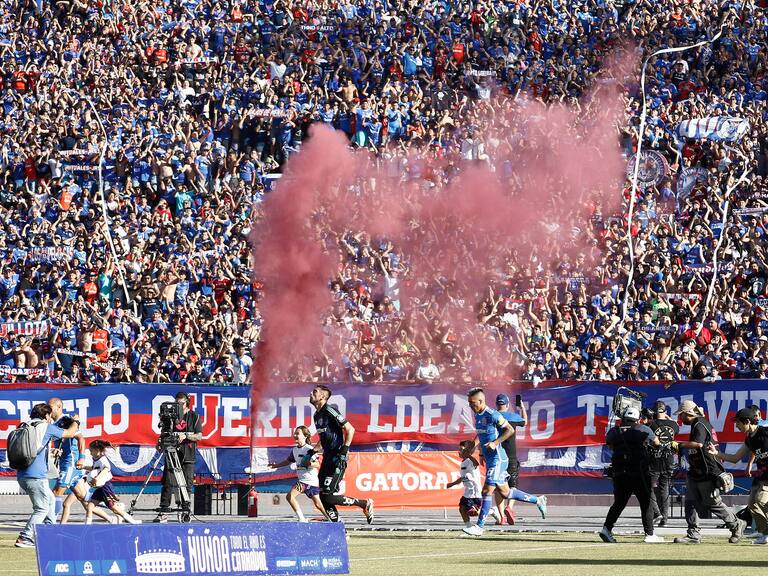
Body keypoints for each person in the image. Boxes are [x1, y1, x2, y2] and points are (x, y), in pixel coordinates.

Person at [673, 400, 745, 544]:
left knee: (712, 503)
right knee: (690, 502)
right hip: (696, 471)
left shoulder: (699, 423)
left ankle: (736, 524)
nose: (680, 418)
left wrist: (679, 444)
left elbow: (698, 444)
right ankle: (693, 534)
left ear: (688, 413)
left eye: (681, 415)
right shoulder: (697, 423)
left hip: (708, 471)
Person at [15, 403, 79, 547]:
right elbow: (70, 433)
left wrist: (50, 452)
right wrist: (76, 422)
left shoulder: (24, 426)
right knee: (42, 508)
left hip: (22, 474)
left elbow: (33, 448)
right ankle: (25, 537)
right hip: (36, 475)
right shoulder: (45, 427)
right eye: (49, 415)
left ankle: (50, 532)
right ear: (46, 415)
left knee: (50, 500)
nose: (50, 418)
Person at [309, 385, 374, 524]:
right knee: (322, 495)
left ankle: (364, 503)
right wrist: (314, 450)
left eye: (315, 392)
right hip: (327, 458)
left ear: (322, 397)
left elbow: (350, 429)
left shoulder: (330, 410)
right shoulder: (316, 415)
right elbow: (324, 438)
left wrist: (344, 451)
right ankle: (336, 525)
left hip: (337, 457)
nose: (311, 393)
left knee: (328, 496)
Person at [599, 406, 664, 544]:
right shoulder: (643, 428)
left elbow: (610, 446)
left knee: (619, 503)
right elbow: (657, 443)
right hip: (639, 472)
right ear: (638, 418)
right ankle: (650, 534)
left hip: (619, 472)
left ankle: (606, 528)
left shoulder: (614, 431)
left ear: (623, 418)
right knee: (646, 503)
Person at [462, 387, 517, 536]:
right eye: (469, 403)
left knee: (486, 491)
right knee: (505, 492)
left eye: (472, 403)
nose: (470, 406)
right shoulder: (478, 415)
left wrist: (495, 443)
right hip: (490, 458)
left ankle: (479, 527)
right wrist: (471, 448)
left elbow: (510, 430)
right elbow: (480, 435)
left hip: (498, 458)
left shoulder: (493, 414)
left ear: (481, 401)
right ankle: (538, 500)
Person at [709, 407, 768, 545]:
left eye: (738, 423)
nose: (736, 426)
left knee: (761, 499)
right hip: (762, 476)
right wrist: (716, 453)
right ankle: (765, 534)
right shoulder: (749, 439)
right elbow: (735, 458)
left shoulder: (765, 432)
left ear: (747, 421)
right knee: (752, 504)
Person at [494, 393, 547, 524]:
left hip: (496, 456)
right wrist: (522, 407)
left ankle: (501, 517)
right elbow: (525, 422)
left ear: (496, 404)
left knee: (498, 487)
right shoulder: (512, 416)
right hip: (510, 456)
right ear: (507, 405)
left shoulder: (492, 416)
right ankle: (509, 507)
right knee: (512, 486)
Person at [154, 391, 202, 523]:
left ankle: (185, 511)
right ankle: (164, 511)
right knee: (167, 482)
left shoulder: (194, 416)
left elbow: (199, 436)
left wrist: (186, 435)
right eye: (176, 404)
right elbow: (164, 433)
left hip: (187, 453)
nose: (178, 406)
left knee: (186, 484)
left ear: (187, 403)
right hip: (171, 451)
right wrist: (160, 442)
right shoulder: (170, 417)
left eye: (181, 404)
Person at [268, 425, 329, 522]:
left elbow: (317, 464)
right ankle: (331, 519)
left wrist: (309, 464)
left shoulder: (309, 449)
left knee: (290, 496)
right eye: (295, 433)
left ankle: (302, 519)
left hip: (308, 480)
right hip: (306, 481)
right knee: (318, 505)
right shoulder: (295, 450)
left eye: (298, 433)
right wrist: (275, 466)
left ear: (305, 436)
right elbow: (288, 461)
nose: (295, 435)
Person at [80, 440, 140, 524]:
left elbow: (106, 469)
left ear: (98, 450)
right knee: (90, 506)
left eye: (91, 451)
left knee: (114, 508)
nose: (90, 453)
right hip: (99, 488)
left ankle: (132, 520)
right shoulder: (96, 459)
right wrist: (83, 467)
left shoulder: (103, 459)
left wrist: (97, 478)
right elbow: (93, 468)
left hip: (105, 487)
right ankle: (87, 526)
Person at [447, 440, 501, 528]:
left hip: (475, 492)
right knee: (462, 509)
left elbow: (476, 463)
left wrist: (468, 455)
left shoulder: (470, 460)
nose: (459, 451)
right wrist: (452, 484)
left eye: (461, 449)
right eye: (459, 449)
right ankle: (469, 527)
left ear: (467, 451)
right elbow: (464, 477)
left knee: (475, 512)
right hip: (467, 493)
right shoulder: (463, 462)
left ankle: (492, 511)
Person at [644, 401, 680, 527]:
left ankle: (657, 513)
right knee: (665, 489)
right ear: (665, 411)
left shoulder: (651, 425)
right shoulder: (674, 425)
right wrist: (669, 419)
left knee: (648, 488)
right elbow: (676, 428)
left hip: (654, 460)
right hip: (668, 459)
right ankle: (664, 519)